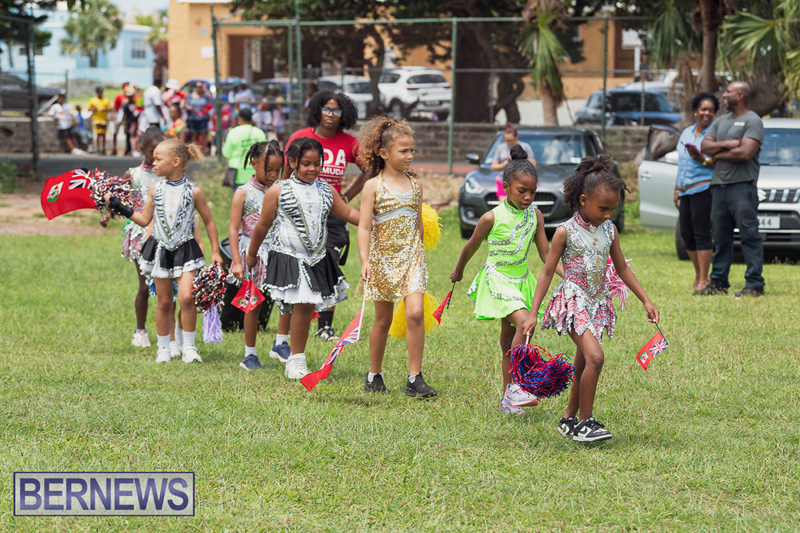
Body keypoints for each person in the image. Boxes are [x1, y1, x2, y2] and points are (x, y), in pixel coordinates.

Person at [525, 156, 659, 442]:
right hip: (572, 303)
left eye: (612, 209)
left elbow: (621, 267)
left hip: (597, 302)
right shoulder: (565, 232)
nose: (608, 214)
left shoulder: (609, 230)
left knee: (584, 362)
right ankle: (586, 422)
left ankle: (569, 419)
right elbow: (547, 273)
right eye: (603, 208)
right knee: (595, 357)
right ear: (583, 200)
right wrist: (533, 313)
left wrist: (646, 300)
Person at [451, 146, 562, 415]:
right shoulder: (491, 217)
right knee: (525, 324)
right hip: (497, 279)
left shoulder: (535, 216)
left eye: (532, 192)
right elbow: (471, 247)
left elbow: (546, 254)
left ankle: (506, 399)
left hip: (521, 280)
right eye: (521, 191)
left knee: (508, 340)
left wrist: (569, 275)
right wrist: (459, 270)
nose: (527, 197)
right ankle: (517, 388)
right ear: (506, 187)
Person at [245, 137, 360, 379]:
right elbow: (263, 225)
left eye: (317, 164)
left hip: (316, 256)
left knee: (306, 308)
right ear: (293, 162)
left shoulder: (326, 190)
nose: (313, 169)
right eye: (306, 163)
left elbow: (347, 212)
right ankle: (296, 360)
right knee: (304, 304)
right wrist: (252, 253)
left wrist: (375, 221)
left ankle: (294, 358)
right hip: (288, 255)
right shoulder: (279, 190)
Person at [106, 139, 222, 364]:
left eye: (159, 159)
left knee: (187, 297)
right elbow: (143, 219)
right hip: (160, 250)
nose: (154, 162)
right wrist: (119, 206)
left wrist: (215, 251)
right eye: (154, 158)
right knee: (164, 302)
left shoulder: (194, 191)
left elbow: (208, 221)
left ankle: (189, 347)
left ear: (176, 162)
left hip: (186, 249)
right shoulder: (155, 189)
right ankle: (163, 349)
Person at [357, 117, 437, 398]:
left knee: (415, 313)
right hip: (381, 260)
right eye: (403, 151)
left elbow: (418, 223)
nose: (410, 156)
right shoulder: (373, 187)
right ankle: (374, 374)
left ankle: (415, 378)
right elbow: (364, 227)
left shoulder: (416, 184)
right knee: (382, 320)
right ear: (383, 153)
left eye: (411, 150)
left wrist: (419, 252)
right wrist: (365, 260)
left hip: (412, 258)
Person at [282, 90, 368, 341]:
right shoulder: (300, 137)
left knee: (328, 262)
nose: (331, 115)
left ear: (344, 115)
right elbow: (286, 174)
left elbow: (369, 169)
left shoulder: (349, 143)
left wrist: (347, 196)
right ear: (317, 110)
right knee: (298, 264)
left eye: (337, 110)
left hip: (333, 212)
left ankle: (325, 326)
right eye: (327, 109)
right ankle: (290, 323)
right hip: (300, 211)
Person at [228, 140, 292, 370]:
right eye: (268, 170)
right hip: (252, 255)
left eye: (278, 170)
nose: (274, 175)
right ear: (253, 164)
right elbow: (233, 229)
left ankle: (281, 342)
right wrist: (237, 260)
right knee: (252, 304)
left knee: (287, 298)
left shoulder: (283, 189)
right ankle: (249, 355)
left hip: (279, 251)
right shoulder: (243, 192)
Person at [698, 81, 765, 297]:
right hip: (719, 187)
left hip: (742, 187)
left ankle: (754, 284)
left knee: (749, 234)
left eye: (728, 92)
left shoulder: (753, 121)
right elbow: (704, 146)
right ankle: (718, 282)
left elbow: (745, 153)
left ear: (741, 95)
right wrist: (728, 145)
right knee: (720, 236)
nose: (724, 95)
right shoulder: (721, 121)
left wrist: (716, 154)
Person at [675, 92, 719, 293]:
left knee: (702, 233)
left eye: (711, 110)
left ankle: (705, 277)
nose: (706, 113)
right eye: (703, 109)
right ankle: (697, 274)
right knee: (687, 234)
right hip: (685, 190)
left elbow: (718, 164)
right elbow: (681, 163)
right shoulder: (686, 132)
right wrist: (677, 188)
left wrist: (701, 158)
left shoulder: (714, 135)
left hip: (703, 188)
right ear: (695, 111)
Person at [222, 107, 268, 192]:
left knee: (238, 202)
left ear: (239, 118)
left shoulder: (233, 132)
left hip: (238, 173)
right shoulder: (259, 133)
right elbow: (265, 153)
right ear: (251, 118)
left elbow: (226, 153)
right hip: (256, 172)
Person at [186, 82, 212, 154]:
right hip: (193, 118)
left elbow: (210, 101)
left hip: (203, 118)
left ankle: (204, 151)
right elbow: (186, 105)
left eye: (201, 86)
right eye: (198, 86)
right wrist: (189, 108)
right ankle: (195, 151)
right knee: (194, 134)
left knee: (203, 134)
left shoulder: (204, 96)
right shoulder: (191, 96)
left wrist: (206, 90)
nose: (199, 88)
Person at [88, 86, 111, 155]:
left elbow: (110, 108)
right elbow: (89, 109)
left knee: (104, 135)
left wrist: (105, 109)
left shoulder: (106, 100)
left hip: (104, 119)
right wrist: (93, 108)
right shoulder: (93, 100)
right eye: (99, 92)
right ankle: (98, 148)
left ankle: (103, 148)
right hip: (97, 120)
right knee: (98, 134)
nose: (100, 93)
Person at [110, 82, 129, 156]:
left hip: (125, 117)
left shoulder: (129, 97)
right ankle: (114, 148)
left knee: (126, 133)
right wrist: (112, 115)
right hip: (118, 117)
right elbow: (114, 106)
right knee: (115, 132)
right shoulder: (119, 96)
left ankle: (126, 148)